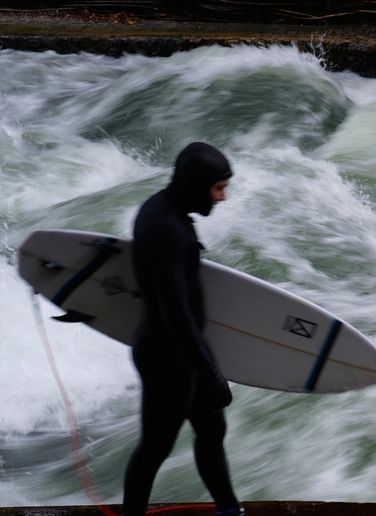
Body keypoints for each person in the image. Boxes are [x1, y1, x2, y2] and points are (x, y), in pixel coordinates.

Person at [124, 142, 244, 516]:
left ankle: (229, 510)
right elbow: (174, 311)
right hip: (167, 357)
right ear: (196, 185)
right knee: (156, 447)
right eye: (218, 188)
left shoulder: (163, 210)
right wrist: (207, 371)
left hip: (182, 351)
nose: (222, 198)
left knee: (211, 434)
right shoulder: (167, 229)